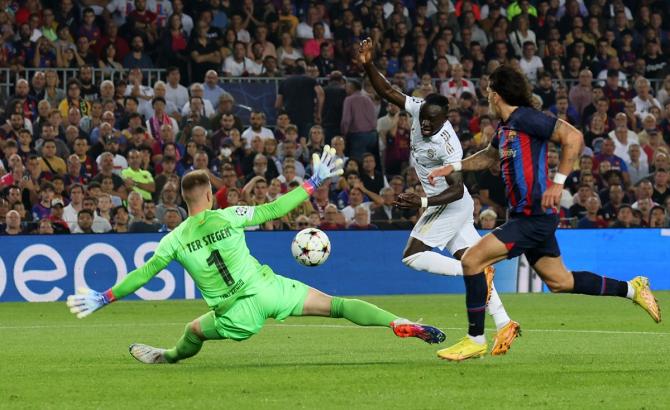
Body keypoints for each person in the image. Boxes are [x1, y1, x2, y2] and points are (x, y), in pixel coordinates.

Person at [66, 148, 446, 364]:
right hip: (270, 286)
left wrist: (105, 296)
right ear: (210, 195)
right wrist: (312, 182)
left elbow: (144, 274)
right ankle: (398, 322)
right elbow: (276, 209)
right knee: (340, 305)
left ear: (183, 200)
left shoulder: (174, 240)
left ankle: (166, 357)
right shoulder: (230, 215)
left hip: (237, 311)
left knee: (192, 332)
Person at [428, 65, 661, 361]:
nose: (486, 94)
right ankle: (632, 288)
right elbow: (489, 154)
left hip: (533, 216)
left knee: (473, 260)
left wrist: (558, 183)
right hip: (528, 217)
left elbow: (573, 137)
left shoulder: (527, 117)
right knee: (560, 282)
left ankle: (475, 339)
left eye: (488, 89)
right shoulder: (505, 127)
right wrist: (455, 166)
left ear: (496, 94)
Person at [358, 37, 518, 356]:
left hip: (450, 203)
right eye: (424, 121)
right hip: (449, 206)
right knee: (474, 257)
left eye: (434, 121)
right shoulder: (418, 109)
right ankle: (504, 323)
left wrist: (421, 203)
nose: (426, 125)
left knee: (413, 255)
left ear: (447, 118)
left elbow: (456, 189)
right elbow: (388, 91)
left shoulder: (450, 146)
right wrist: (367, 64)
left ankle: (473, 272)